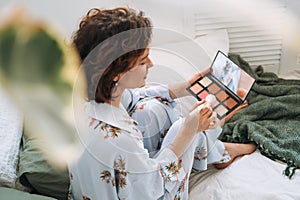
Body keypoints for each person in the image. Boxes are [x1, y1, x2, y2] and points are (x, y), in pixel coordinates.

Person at [69, 7, 255, 199]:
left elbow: (134, 96)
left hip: (107, 183)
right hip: (146, 190)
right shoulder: (120, 139)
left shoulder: (88, 95)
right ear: (116, 73)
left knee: (148, 110)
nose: (151, 63)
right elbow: (152, 186)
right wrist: (187, 130)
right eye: (142, 61)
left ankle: (218, 148)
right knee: (181, 127)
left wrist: (182, 88)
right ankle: (221, 145)